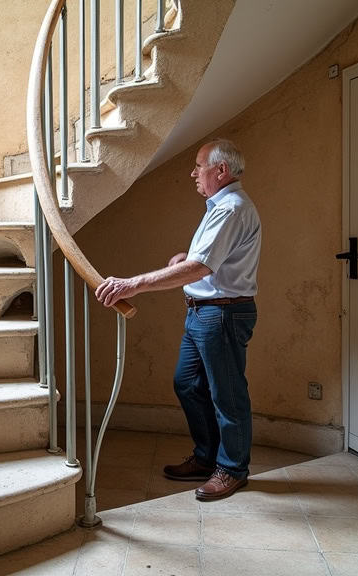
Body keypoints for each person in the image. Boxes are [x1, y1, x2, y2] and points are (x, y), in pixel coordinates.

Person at [95, 138, 261, 501]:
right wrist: (188, 260)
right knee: (186, 383)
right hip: (204, 312)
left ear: (221, 170)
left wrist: (133, 284)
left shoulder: (231, 208)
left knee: (227, 395)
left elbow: (203, 266)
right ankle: (207, 458)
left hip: (222, 314)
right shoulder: (219, 206)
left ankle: (232, 469)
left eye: (199, 165)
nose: (193, 173)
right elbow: (208, 261)